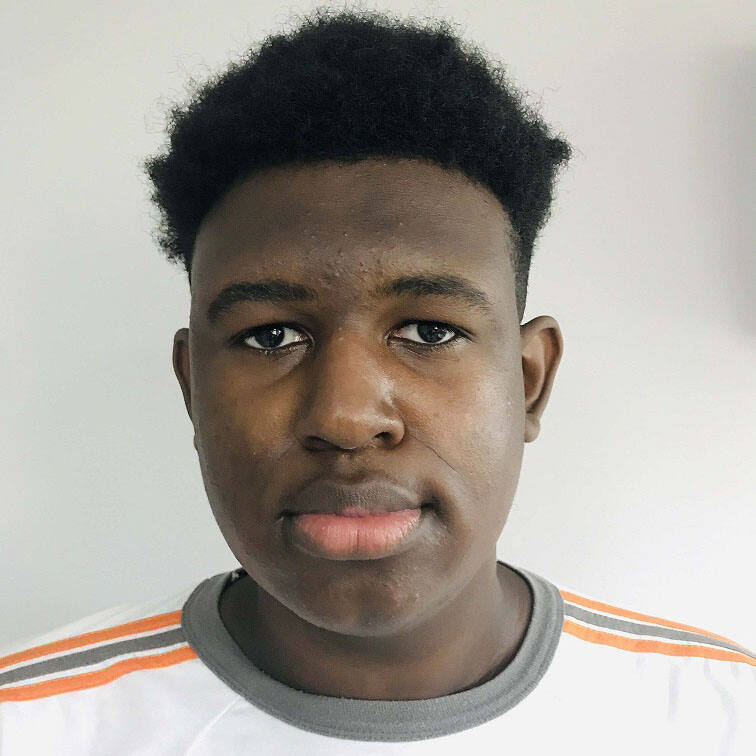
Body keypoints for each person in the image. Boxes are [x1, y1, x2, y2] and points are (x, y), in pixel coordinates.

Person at [1, 7, 753, 754]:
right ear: (192, 389)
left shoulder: (723, 716)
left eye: (429, 332)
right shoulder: (33, 726)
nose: (346, 416)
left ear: (529, 379)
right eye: (271, 336)